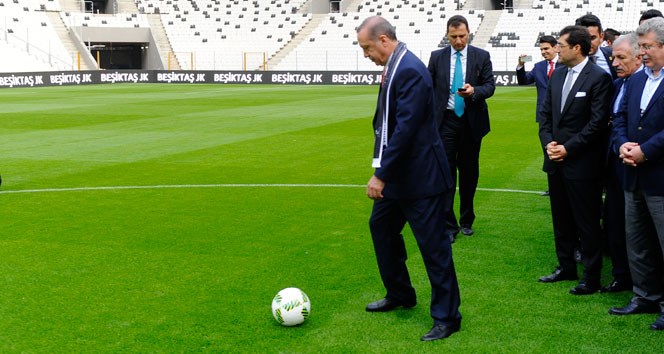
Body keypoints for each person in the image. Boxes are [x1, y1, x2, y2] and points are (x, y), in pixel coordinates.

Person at [357, 16, 462, 341]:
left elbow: (406, 129)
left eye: (367, 48)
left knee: (433, 247)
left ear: (384, 40)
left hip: (421, 178)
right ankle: (400, 293)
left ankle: (448, 317)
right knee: (381, 228)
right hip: (402, 176)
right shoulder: (396, 65)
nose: (366, 55)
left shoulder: (411, 70)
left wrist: (381, 175)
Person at [537, 25, 613, 295]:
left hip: (582, 163)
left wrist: (567, 148)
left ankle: (591, 277)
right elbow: (545, 116)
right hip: (556, 160)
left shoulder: (599, 78)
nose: (557, 49)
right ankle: (565, 266)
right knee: (561, 218)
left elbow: (596, 125)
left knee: (586, 221)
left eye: (561, 45)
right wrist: (549, 144)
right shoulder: (557, 75)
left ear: (576, 48)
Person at [609, 17, 664, 331]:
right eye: (640, 46)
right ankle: (645, 295)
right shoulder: (638, 80)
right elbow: (619, 117)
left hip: (659, 176)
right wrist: (622, 145)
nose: (642, 52)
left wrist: (646, 150)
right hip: (632, 174)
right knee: (638, 240)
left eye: (647, 46)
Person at [428, 15, 495, 240]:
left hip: (470, 121)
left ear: (469, 34)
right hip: (445, 122)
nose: (458, 41)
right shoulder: (437, 57)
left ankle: (467, 220)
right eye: (454, 36)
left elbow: (490, 86)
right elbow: (429, 88)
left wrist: (474, 91)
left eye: (462, 36)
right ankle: (449, 225)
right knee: (446, 174)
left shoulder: (481, 56)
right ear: (447, 35)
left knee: (469, 173)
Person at [601, 33, 643, 293]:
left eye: (620, 57)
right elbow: (615, 122)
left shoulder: (646, 85)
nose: (614, 63)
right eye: (613, 57)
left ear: (639, 57)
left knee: (638, 228)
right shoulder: (618, 85)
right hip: (615, 163)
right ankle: (621, 276)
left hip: (639, 165)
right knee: (614, 221)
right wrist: (619, 145)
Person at [516, 35, 562, 123]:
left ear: (555, 48)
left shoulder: (566, 64)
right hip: (543, 113)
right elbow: (523, 81)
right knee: (544, 136)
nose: (543, 52)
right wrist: (521, 65)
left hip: (562, 112)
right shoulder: (538, 66)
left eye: (546, 48)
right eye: (541, 49)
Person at [575, 14, 618, 79]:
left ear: (601, 37)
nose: (588, 43)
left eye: (592, 38)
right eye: (583, 38)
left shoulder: (613, 54)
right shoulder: (568, 61)